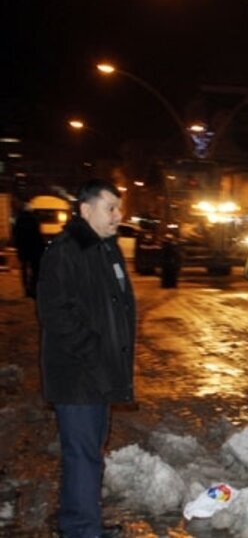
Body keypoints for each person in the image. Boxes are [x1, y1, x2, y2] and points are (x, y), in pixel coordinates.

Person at [37, 179, 136, 538]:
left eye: (119, 208)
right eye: (111, 208)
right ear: (85, 210)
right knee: (82, 455)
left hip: (100, 372)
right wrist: (93, 352)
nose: (118, 215)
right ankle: (81, 530)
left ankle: (81, 522)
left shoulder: (106, 249)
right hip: (78, 374)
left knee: (90, 452)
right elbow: (55, 313)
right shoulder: (66, 251)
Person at [12, 197, 46, 298]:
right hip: (33, 249)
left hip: (23, 248)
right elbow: (38, 235)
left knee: (24, 268)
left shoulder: (19, 220)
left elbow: (16, 234)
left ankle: (26, 288)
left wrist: (18, 247)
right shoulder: (33, 220)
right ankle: (33, 287)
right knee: (35, 268)